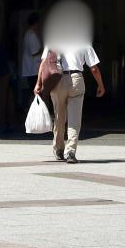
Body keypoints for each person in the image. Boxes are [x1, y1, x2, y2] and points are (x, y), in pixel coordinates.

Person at [37, 28, 105, 163]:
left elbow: (43, 64)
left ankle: (59, 149)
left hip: (57, 81)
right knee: (74, 119)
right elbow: (93, 68)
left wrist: (38, 84)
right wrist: (100, 85)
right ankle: (71, 153)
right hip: (76, 79)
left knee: (59, 117)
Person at [19, 16, 43, 118]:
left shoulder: (28, 34)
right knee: (34, 90)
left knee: (31, 89)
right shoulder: (31, 35)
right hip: (33, 68)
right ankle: (32, 110)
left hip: (31, 68)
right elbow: (34, 52)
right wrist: (43, 50)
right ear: (36, 23)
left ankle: (30, 109)